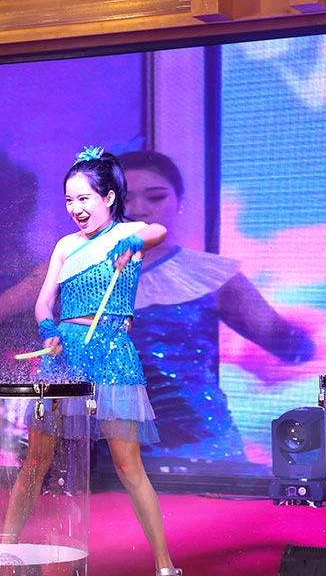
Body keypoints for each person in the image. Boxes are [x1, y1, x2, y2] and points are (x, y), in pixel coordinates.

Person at [2, 146, 183, 576]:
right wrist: (47, 327)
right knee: (35, 461)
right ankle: (4, 551)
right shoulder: (66, 245)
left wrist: (130, 244)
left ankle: (165, 567)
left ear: (109, 197)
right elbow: (44, 300)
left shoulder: (129, 233)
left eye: (84, 198)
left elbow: (158, 231)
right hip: (64, 353)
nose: (76, 208)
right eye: (68, 200)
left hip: (111, 353)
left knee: (129, 468)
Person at [119, 150, 315, 463]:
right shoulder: (77, 275)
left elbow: (291, 347)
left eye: (155, 197)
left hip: (202, 449)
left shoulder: (211, 275)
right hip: (108, 449)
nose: (139, 209)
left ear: (179, 201)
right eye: (125, 199)